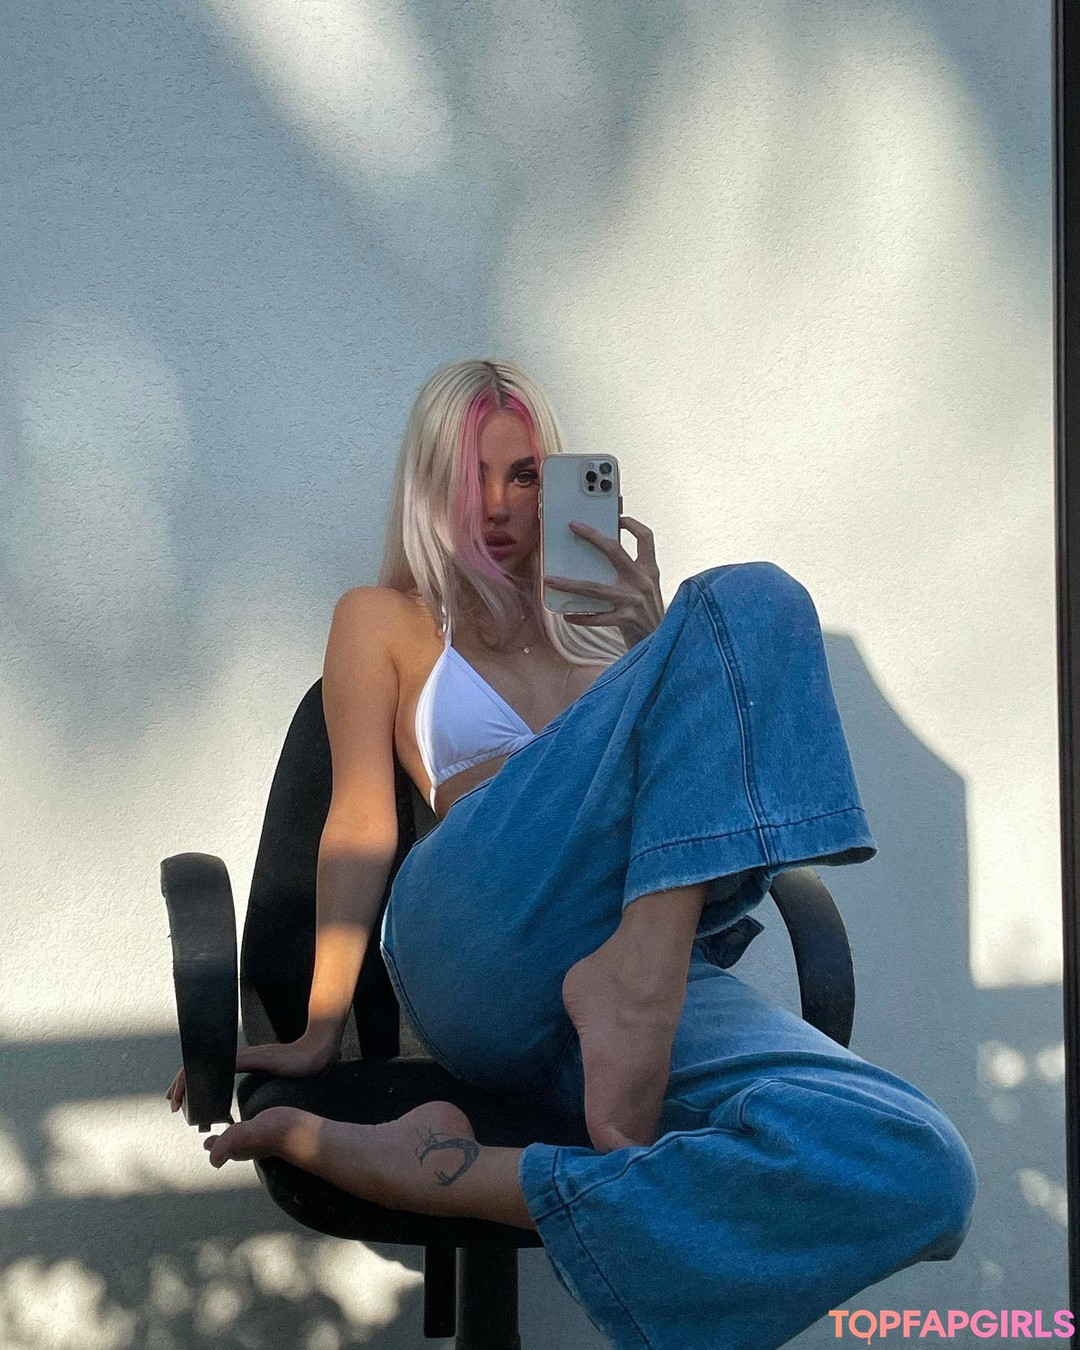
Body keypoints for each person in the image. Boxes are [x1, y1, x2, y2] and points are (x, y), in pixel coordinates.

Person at [167, 358, 977, 1348]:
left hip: (619, 978)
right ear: (428, 488)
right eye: (471, 477)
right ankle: (634, 990)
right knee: (751, 598)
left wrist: (652, 640)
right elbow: (362, 825)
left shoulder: (608, 643)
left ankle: (463, 1169)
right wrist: (315, 1029)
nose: (498, 505)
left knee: (919, 1164)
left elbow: (681, 805)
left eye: (525, 476)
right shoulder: (385, 621)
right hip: (481, 937)